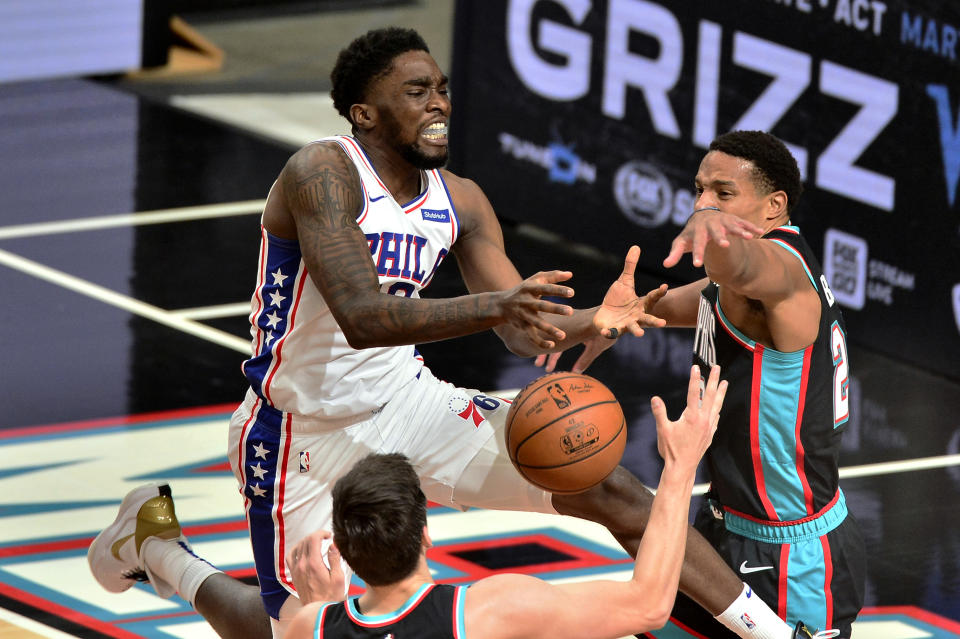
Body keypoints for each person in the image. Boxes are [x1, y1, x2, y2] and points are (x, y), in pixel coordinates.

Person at [87, 29, 818, 639]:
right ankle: (156, 551)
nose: (438, 101)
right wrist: (502, 305)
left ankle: (771, 633)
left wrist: (590, 319)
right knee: (288, 632)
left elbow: (522, 330)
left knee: (607, 482)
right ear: (364, 112)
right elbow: (364, 315)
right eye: (416, 91)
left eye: (441, 87)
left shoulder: (460, 199)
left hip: (410, 403)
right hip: (302, 432)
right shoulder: (320, 173)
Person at [542, 130, 863, 638]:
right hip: (720, 528)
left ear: (774, 206)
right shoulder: (731, 288)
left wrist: (709, 225)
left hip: (792, 555)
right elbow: (661, 307)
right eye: (700, 190)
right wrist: (600, 322)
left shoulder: (782, 273)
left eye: (723, 193)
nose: (702, 203)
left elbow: (735, 261)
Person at [285, 364, 723, 639]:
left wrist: (320, 611)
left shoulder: (309, 628)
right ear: (424, 535)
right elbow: (648, 605)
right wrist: (681, 468)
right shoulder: (491, 613)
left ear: (345, 551)